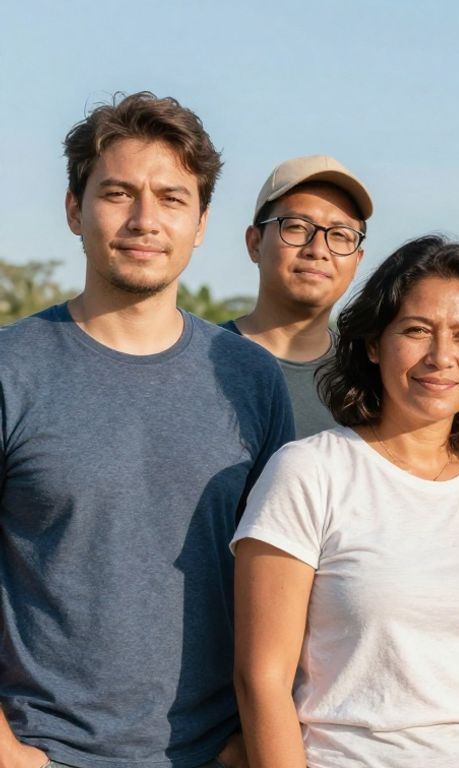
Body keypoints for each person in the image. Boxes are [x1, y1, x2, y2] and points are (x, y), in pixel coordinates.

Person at [0, 92, 293, 768]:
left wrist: (248, 743)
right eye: (117, 193)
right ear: (74, 209)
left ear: (201, 223)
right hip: (45, 751)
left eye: (170, 198)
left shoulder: (249, 378)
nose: (144, 220)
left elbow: (286, 590)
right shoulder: (12, 371)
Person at [232, 236, 459, 767]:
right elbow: (261, 679)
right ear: (374, 343)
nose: (441, 357)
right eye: (417, 330)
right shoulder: (309, 472)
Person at [224, 155, 374, 438]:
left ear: (357, 260)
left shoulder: (370, 383)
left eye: (341, 235)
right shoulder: (203, 362)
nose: (318, 249)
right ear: (255, 243)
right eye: (296, 227)